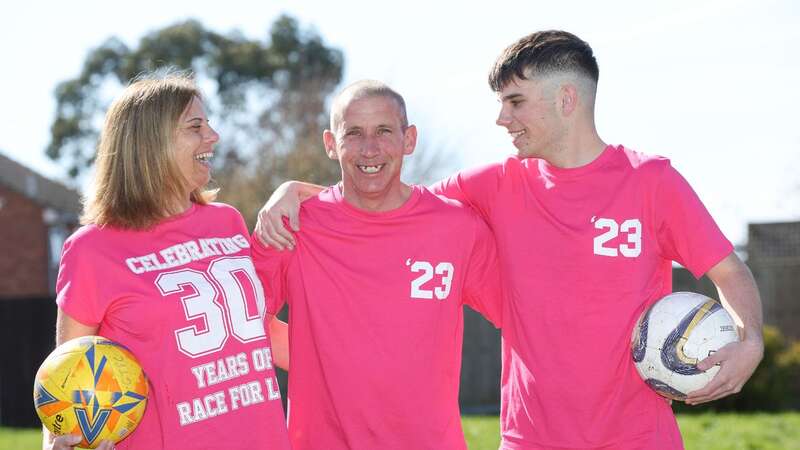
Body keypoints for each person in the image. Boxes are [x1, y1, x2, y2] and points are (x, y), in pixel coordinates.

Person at [256, 31, 764, 449]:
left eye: (515, 102)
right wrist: (297, 193)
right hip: (530, 438)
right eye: (502, 104)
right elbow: (383, 197)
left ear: (567, 100)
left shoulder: (651, 182)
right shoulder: (496, 185)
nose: (502, 119)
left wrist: (751, 341)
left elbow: (729, 271)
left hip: (637, 435)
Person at [250, 80, 503, 450]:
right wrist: (317, 358)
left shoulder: (457, 228)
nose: (370, 148)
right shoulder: (291, 226)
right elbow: (239, 327)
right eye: (353, 133)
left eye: (384, 131)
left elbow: (525, 316)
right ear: (330, 144)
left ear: (409, 139)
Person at [45, 72, 291, 450]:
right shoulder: (93, 249)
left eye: (208, 124)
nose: (213, 136)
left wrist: (358, 363)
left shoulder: (226, 221)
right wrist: (57, 446)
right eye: (196, 126)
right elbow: (66, 379)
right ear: (151, 144)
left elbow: (256, 330)